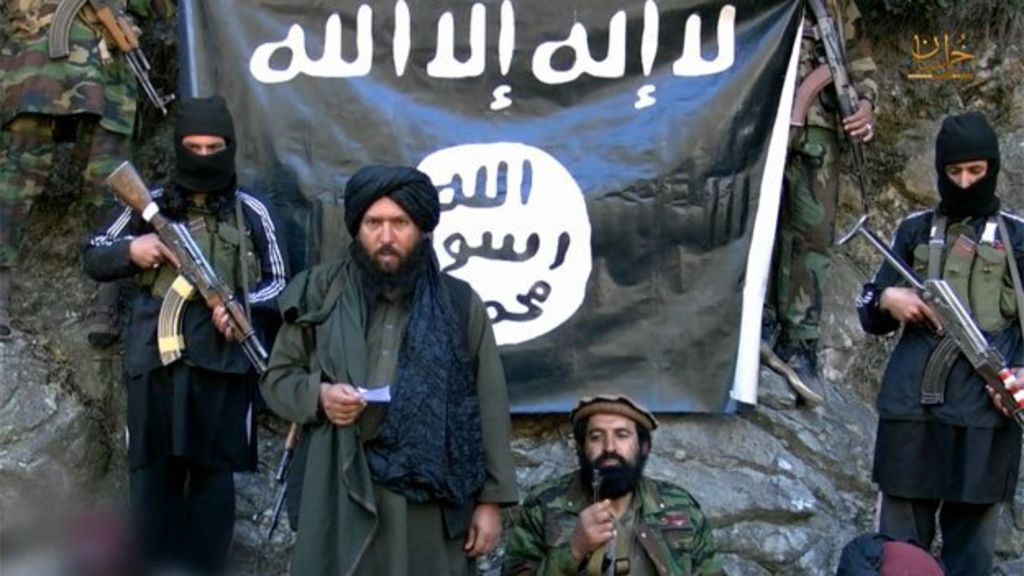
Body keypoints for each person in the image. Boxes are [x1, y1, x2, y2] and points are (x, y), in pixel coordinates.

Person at [260, 164, 518, 576]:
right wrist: (320, 397)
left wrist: (490, 501)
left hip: (428, 496)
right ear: (357, 228)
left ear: (422, 229)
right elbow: (277, 379)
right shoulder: (319, 291)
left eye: (400, 223)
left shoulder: (459, 303)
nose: (386, 237)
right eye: (373, 223)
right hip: (337, 482)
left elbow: (489, 403)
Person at [83, 95, 288, 574]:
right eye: (192, 147)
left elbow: (280, 281)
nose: (203, 157)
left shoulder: (251, 210)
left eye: (213, 147)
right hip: (153, 363)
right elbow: (93, 252)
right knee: (152, 485)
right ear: (178, 147)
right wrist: (134, 249)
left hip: (223, 366)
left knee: (214, 487)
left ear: (229, 147)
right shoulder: (150, 202)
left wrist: (242, 306)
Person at [856, 111, 1023, 575]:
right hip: (911, 412)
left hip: (986, 415)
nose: (964, 182)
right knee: (898, 555)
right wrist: (888, 298)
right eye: (954, 171)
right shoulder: (914, 229)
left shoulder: (1017, 236)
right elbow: (868, 307)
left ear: (992, 168)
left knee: (971, 556)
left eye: (976, 171)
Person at [0, 0, 174, 344]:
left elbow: (161, 8)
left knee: (111, 186)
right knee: (13, 186)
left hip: (104, 68)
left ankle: (106, 304)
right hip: (32, 67)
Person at [768, 0, 879, 391]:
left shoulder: (837, 3)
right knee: (754, 223)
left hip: (819, 125)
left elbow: (859, 59)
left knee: (813, 235)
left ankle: (799, 342)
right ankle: (755, 324)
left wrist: (865, 103)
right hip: (761, 116)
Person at [505, 394, 723, 575]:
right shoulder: (544, 505)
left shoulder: (680, 507)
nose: (609, 447)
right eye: (596, 437)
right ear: (581, 447)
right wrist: (573, 550)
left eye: (622, 435)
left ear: (644, 446)